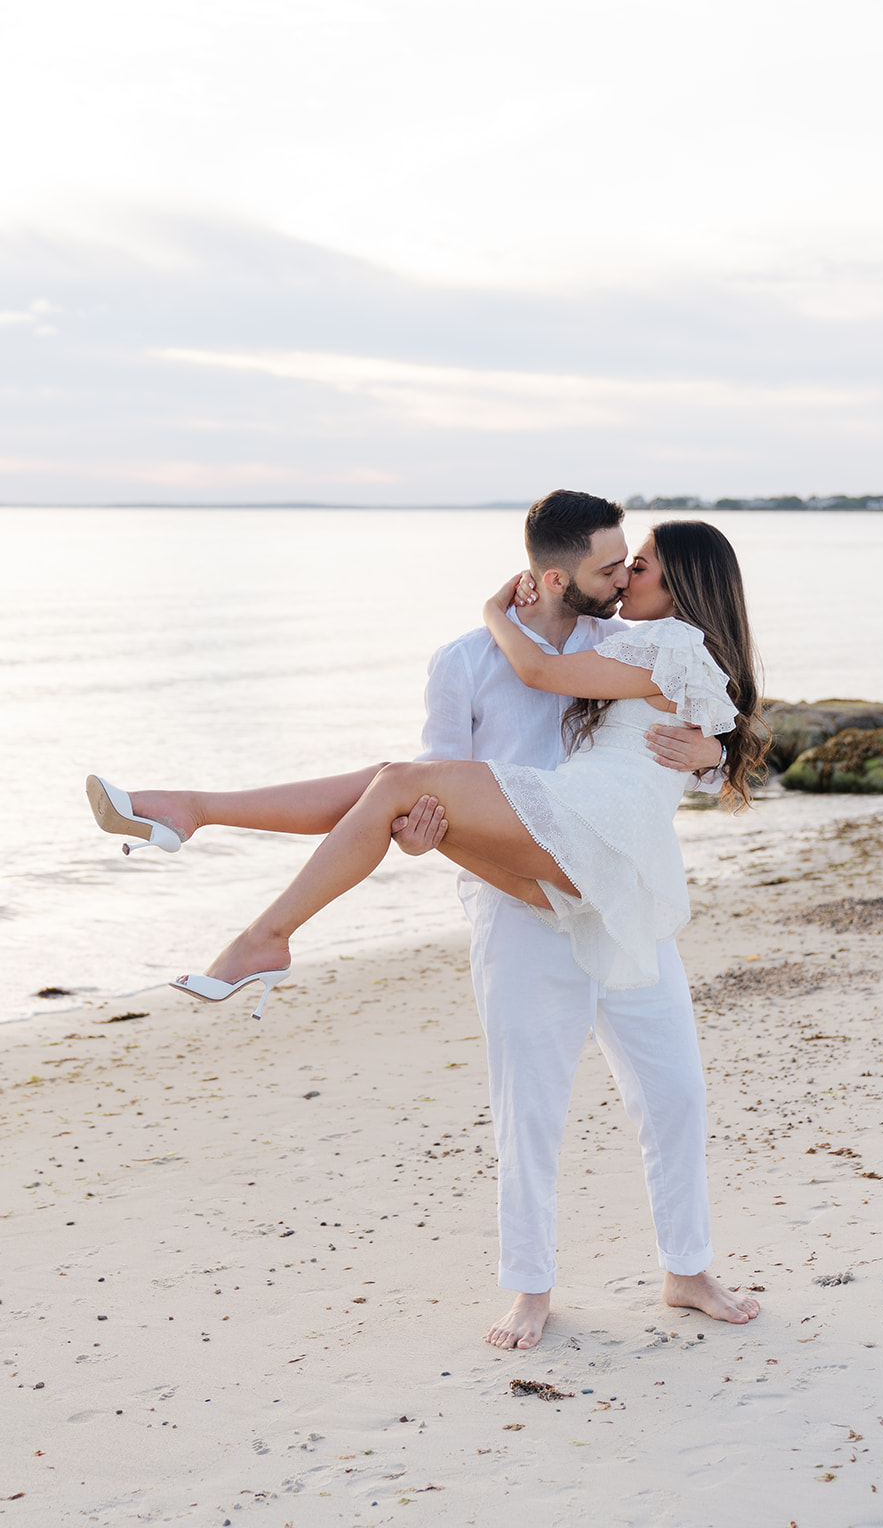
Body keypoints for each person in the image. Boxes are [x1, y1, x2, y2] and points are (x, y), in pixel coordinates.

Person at [87, 496, 765, 1345]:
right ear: (557, 574)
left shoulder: (620, 638)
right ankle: (529, 1286)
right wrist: (416, 838)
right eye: (612, 566)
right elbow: (417, 794)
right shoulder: (466, 663)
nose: (623, 576)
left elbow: (698, 713)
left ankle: (687, 1271)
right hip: (517, 889)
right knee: (525, 1100)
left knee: (674, 1094)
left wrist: (714, 754)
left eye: (635, 566)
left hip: (611, 873)